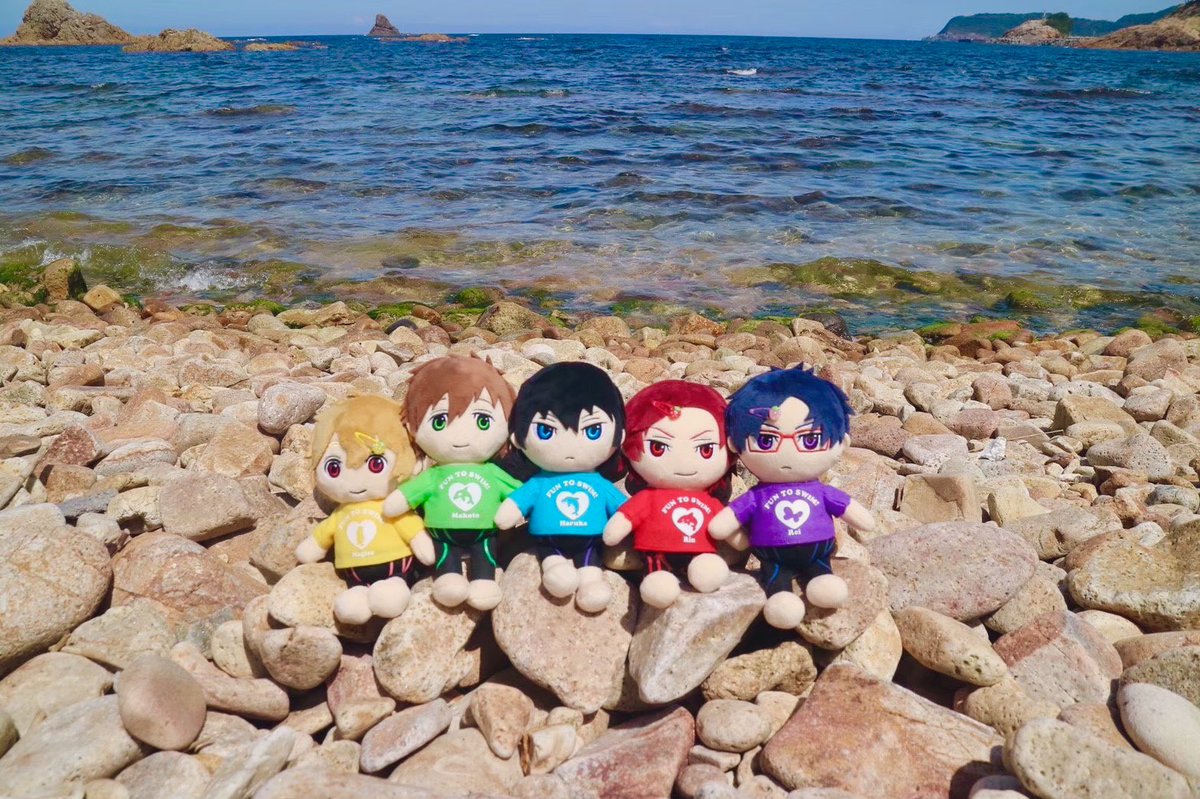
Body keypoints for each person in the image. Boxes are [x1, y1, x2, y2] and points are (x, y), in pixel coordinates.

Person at [710, 366, 875, 629]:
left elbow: (852, 512)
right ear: (734, 444)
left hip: (816, 551)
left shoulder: (819, 491)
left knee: (820, 571)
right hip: (772, 555)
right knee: (776, 576)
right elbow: (723, 524)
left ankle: (821, 579)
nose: (787, 449)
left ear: (842, 443)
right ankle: (780, 597)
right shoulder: (757, 495)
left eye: (809, 440)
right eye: (767, 441)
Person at [384, 356, 521, 611]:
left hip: (484, 532)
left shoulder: (492, 472)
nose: (462, 436)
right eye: (439, 421)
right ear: (412, 425)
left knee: (485, 550)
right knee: (445, 553)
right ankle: (448, 578)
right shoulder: (434, 475)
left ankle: (484, 580)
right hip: (443, 533)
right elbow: (404, 498)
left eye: (483, 421)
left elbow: (521, 495)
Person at [495, 362, 627, 612]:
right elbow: (512, 509)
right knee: (555, 565)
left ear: (619, 435)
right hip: (549, 541)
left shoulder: (599, 483)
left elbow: (626, 512)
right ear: (517, 438)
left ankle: (591, 584)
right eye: (546, 431)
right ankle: (555, 569)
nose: (570, 445)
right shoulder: (539, 482)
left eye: (593, 430)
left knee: (590, 568)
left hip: (590, 541)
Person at [295, 395, 436, 624]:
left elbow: (411, 528)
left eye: (376, 464)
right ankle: (357, 595)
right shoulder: (341, 513)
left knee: (390, 596)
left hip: (395, 568)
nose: (355, 480)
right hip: (354, 574)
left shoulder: (391, 506)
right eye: (334, 468)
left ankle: (394, 587)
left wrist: (423, 544)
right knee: (352, 606)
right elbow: (322, 536)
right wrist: (311, 548)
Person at [603, 380, 736, 608]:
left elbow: (724, 523)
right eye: (658, 447)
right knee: (657, 577)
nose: (684, 462)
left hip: (700, 550)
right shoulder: (648, 497)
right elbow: (625, 518)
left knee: (707, 569)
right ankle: (658, 581)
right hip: (656, 552)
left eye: (706, 449)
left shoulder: (708, 500)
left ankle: (703, 568)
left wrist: (738, 538)